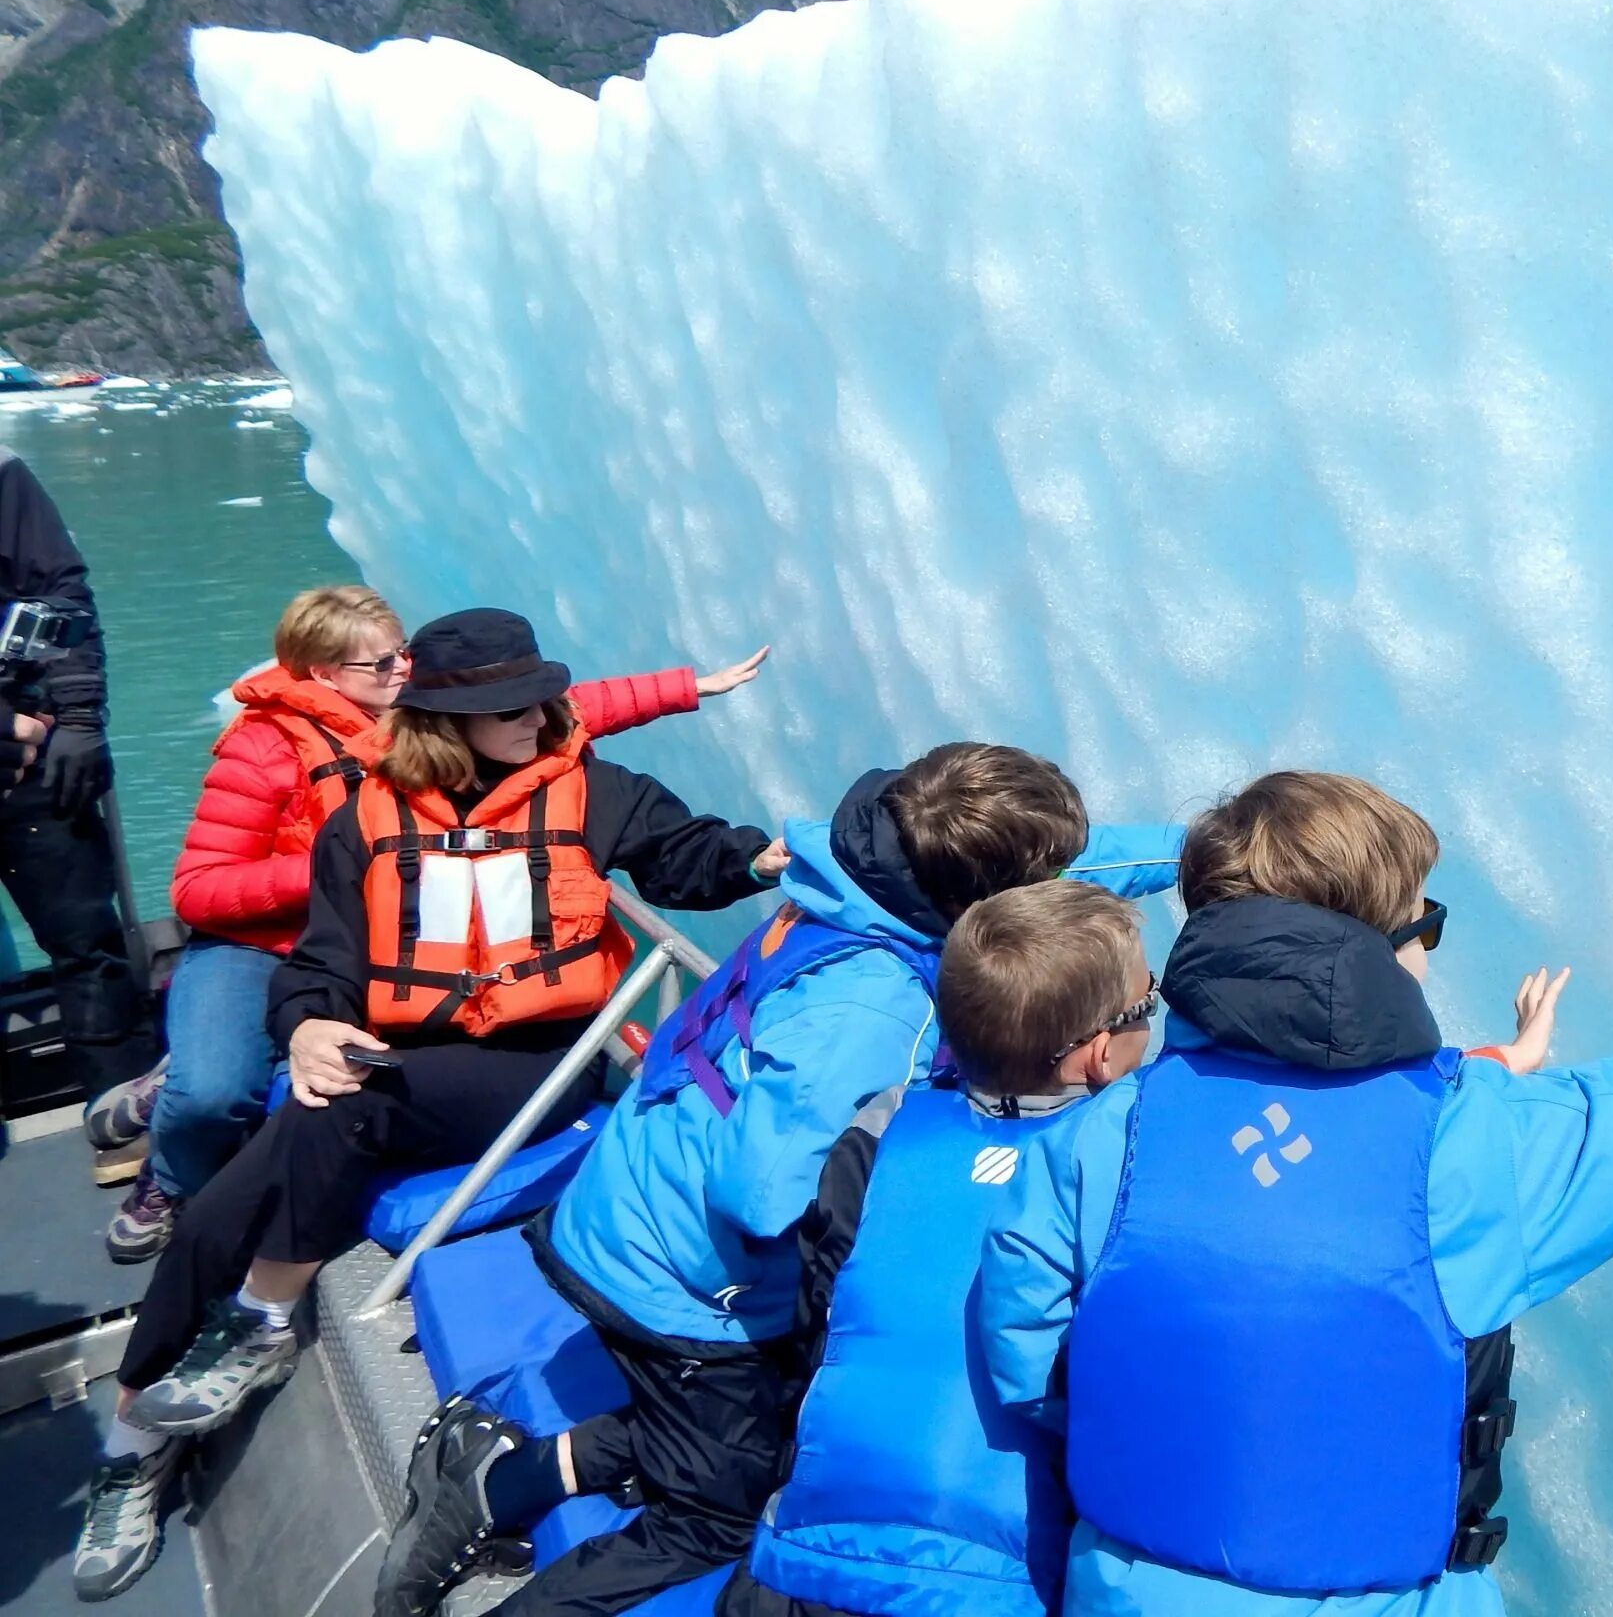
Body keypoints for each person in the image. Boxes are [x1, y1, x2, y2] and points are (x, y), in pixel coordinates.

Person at [979, 770, 1613, 1616]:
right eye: (1429, 926)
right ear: (1386, 946)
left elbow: (1024, 1354)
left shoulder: (1109, 1128)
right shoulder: (1470, 1138)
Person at [373, 742, 1185, 1617]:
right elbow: (762, 1195)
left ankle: (524, 1470)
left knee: (737, 1432)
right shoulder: (880, 1008)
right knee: (715, 1511)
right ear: (978, 900)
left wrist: (1218, 856)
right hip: (678, 1278)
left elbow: (1059, 874)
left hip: (637, 1183)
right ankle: (490, 1497)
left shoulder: (872, 865)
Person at [74, 608, 786, 1605]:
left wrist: (759, 860)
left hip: (537, 1069)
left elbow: (688, 855)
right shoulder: (366, 819)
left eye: (542, 700)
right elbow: (323, 963)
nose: (541, 719)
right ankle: (135, 1438)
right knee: (216, 1215)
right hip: (406, 1063)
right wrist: (311, 1026)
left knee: (336, 1116)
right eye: (512, 709)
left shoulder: (590, 789)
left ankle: (257, 1329)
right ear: (448, 721)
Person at [106, 581, 766, 1263]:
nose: (401, 671)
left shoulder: (436, 723)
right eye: (381, 665)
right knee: (214, 1091)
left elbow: (568, 710)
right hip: (266, 943)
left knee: (345, 1065)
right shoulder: (264, 749)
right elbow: (197, 890)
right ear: (325, 674)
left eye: (403, 655)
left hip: (379, 939)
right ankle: (170, 1179)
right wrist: (363, 861)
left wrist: (692, 685)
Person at [718, 878, 1158, 1617]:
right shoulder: (1130, 1165)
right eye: (1153, 997)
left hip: (796, 1557)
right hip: (993, 1584)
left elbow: (824, 1307)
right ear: (1103, 1055)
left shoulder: (883, 1126)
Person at [0, 446, 155, 1178]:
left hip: (29, 759)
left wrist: (80, 718)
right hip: (17, 735)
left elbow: (59, 593)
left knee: (85, 940)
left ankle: (117, 1118)